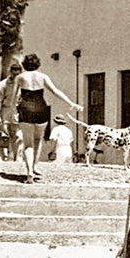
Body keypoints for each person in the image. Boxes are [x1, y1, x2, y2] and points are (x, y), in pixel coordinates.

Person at [14, 54, 81, 183]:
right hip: (41, 108)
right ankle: (35, 166)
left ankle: (28, 173)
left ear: (24, 65)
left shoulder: (20, 77)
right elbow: (56, 91)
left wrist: (13, 110)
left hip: (25, 109)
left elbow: (13, 98)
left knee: (28, 143)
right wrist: (71, 103)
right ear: (38, 64)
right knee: (38, 140)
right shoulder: (43, 77)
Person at [0, 62, 24, 161]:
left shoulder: (22, 85)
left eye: (17, 74)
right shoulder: (2, 85)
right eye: (14, 73)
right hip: (5, 111)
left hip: (17, 112)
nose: (15, 76)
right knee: (4, 136)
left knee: (19, 136)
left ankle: (18, 159)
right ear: (10, 72)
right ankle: (4, 159)